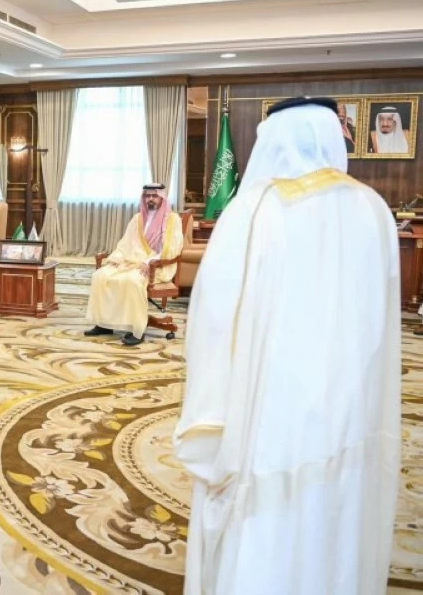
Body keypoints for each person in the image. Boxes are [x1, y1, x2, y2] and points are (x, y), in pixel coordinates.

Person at [174, 97, 401, 595]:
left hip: (270, 412)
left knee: (270, 519)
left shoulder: (256, 210)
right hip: (351, 403)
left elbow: (215, 319)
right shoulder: (375, 209)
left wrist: (210, 415)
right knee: (335, 505)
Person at [84, 184, 183, 345]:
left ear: (162, 198)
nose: (150, 199)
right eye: (147, 196)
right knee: (100, 276)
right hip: (131, 260)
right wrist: (117, 258)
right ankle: (104, 324)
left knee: (132, 281)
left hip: (157, 266)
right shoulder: (138, 218)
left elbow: (172, 248)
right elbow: (126, 243)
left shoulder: (173, 220)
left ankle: (137, 330)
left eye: (154, 196)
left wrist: (149, 261)